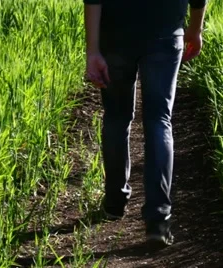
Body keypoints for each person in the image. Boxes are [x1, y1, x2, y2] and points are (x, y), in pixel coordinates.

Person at [83, 0, 207, 246]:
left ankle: (114, 202)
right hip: (166, 32)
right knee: (159, 119)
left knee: (117, 116)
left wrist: (93, 50)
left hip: (116, 35)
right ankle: (158, 219)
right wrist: (195, 29)